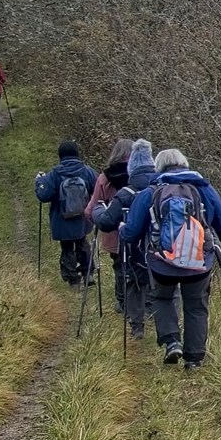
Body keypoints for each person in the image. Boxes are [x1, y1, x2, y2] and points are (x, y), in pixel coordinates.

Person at [121, 146, 221, 368]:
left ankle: (172, 342)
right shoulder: (204, 190)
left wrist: (122, 227)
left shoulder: (150, 193)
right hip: (199, 262)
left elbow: (131, 233)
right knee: (196, 305)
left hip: (162, 261)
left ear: (158, 167)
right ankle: (194, 359)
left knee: (162, 298)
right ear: (184, 164)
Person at [89, 139, 156, 341]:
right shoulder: (161, 185)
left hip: (120, 235)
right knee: (153, 275)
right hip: (157, 242)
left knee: (125, 271)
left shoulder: (107, 178)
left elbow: (97, 209)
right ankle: (155, 313)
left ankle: (128, 311)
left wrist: (96, 211)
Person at [32, 139, 98, 287]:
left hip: (62, 219)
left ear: (60, 155)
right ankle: (88, 273)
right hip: (83, 218)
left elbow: (44, 195)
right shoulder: (87, 171)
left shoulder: (55, 174)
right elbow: (99, 191)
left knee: (67, 248)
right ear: (77, 153)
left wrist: (39, 181)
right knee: (82, 242)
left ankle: (73, 280)